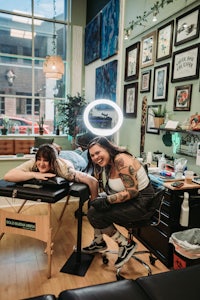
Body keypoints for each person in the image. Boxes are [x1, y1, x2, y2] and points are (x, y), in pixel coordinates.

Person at [82, 136, 155, 268]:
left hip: (142, 204)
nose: (95, 157)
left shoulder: (121, 160)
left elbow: (132, 192)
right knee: (92, 204)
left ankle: (126, 244)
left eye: (98, 153)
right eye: (92, 155)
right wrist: (100, 199)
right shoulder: (109, 164)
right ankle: (98, 241)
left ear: (108, 149)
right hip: (132, 200)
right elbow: (116, 189)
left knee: (95, 214)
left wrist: (108, 201)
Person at [4, 144, 98, 200]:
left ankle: (82, 151)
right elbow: (8, 176)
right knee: (74, 151)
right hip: (61, 155)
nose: (41, 164)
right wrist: (35, 174)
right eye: (39, 159)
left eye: (45, 161)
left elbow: (93, 181)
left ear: (52, 162)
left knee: (86, 156)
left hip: (75, 160)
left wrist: (94, 205)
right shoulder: (34, 162)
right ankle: (78, 149)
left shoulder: (66, 171)